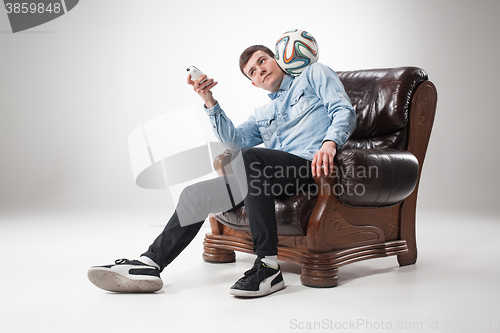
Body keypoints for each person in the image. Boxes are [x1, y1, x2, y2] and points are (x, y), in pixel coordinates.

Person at [88, 45, 356, 297]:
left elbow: (343, 109)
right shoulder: (262, 112)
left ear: (278, 59)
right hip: (267, 177)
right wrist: (209, 99)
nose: (260, 70)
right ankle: (150, 262)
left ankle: (268, 267)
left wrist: (329, 143)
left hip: (308, 168)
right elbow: (234, 142)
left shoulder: (313, 73)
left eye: (262, 61)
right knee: (195, 193)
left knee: (249, 158)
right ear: (253, 83)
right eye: (252, 71)